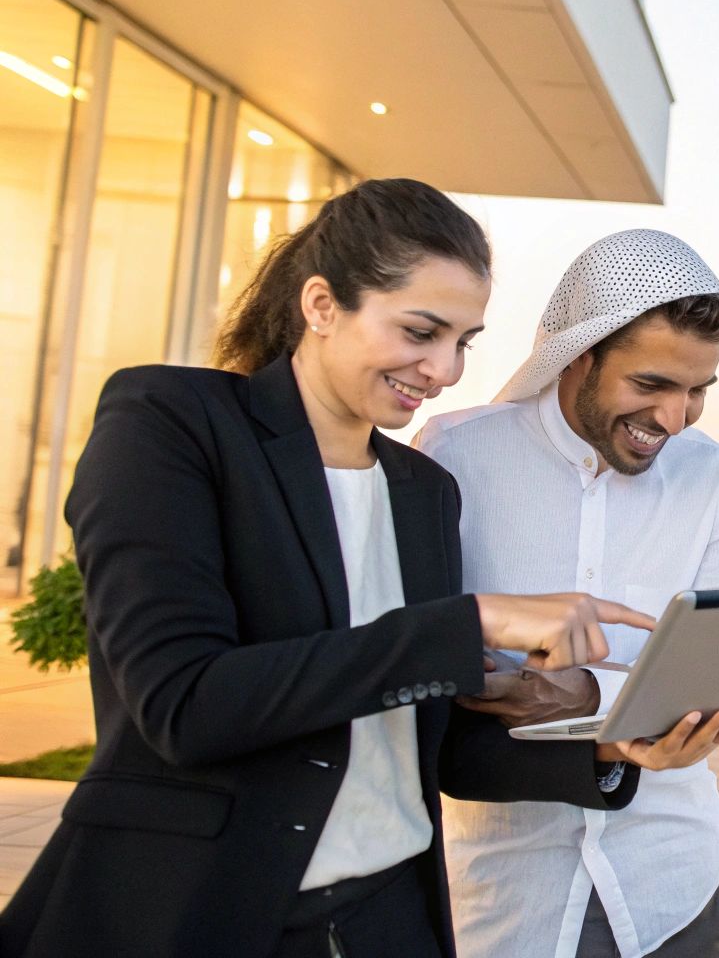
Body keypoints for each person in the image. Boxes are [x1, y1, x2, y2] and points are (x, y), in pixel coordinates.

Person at [0, 179, 681, 958]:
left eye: (463, 340)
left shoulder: (425, 490)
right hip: (194, 911)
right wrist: (472, 622)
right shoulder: (171, 424)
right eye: (421, 331)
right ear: (321, 306)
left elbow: (425, 747)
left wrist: (610, 746)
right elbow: (183, 705)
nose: (444, 370)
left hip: (387, 918)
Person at [416, 229, 719, 958]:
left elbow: (713, 677)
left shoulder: (717, 480)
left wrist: (582, 696)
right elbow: (423, 661)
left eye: (697, 391)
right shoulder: (453, 457)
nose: (674, 418)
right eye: (651, 385)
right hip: (503, 894)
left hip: (672, 884)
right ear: (579, 356)